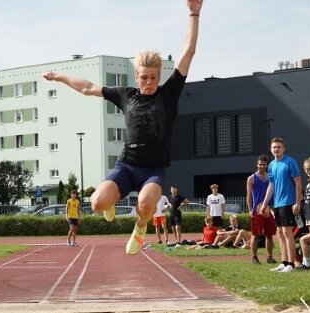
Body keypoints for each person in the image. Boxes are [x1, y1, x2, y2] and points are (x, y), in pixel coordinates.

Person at [43, 0, 204, 255]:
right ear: (136, 76)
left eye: (153, 77)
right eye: (144, 77)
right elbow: (87, 88)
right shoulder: (126, 95)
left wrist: (194, 13)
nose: (149, 82)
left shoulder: (169, 93)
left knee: (146, 200)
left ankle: (140, 228)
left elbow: (189, 52)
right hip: (127, 165)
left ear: (159, 76)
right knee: (96, 203)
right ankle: (111, 202)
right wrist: (60, 77)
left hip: (153, 169)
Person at [260, 138, 302, 273]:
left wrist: (297, 202)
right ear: (271, 150)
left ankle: (291, 263)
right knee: (280, 233)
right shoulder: (271, 165)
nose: (276, 149)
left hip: (288, 202)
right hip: (277, 204)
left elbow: (298, 183)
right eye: (274, 147)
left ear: (284, 149)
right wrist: (265, 203)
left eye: (279, 147)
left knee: (287, 233)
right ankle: (284, 262)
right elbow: (271, 185)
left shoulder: (290, 162)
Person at [245, 155, 277, 264]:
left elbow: (274, 193)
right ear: (257, 164)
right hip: (256, 210)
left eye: (264, 164)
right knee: (255, 234)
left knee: (269, 235)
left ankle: (270, 257)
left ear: (267, 165)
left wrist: (272, 208)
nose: (261, 166)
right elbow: (249, 195)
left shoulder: (271, 177)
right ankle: (254, 257)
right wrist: (250, 209)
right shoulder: (251, 178)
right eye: (260, 164)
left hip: (269, 210)